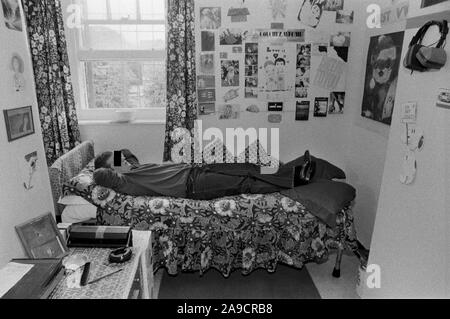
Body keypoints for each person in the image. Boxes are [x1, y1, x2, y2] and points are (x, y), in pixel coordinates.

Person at [93, 150, 315, 200]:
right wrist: (110, 167)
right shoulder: (126, 182)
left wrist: (118, 158)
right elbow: (100, 175)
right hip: (194, 186)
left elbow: (126, 152)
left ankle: (292, 170)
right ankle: (295, 181)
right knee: (245, 182)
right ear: (112, 170)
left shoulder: (135, 168)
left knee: (248, 165)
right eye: (115, 163)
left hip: (197, 169)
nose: (121, 161)